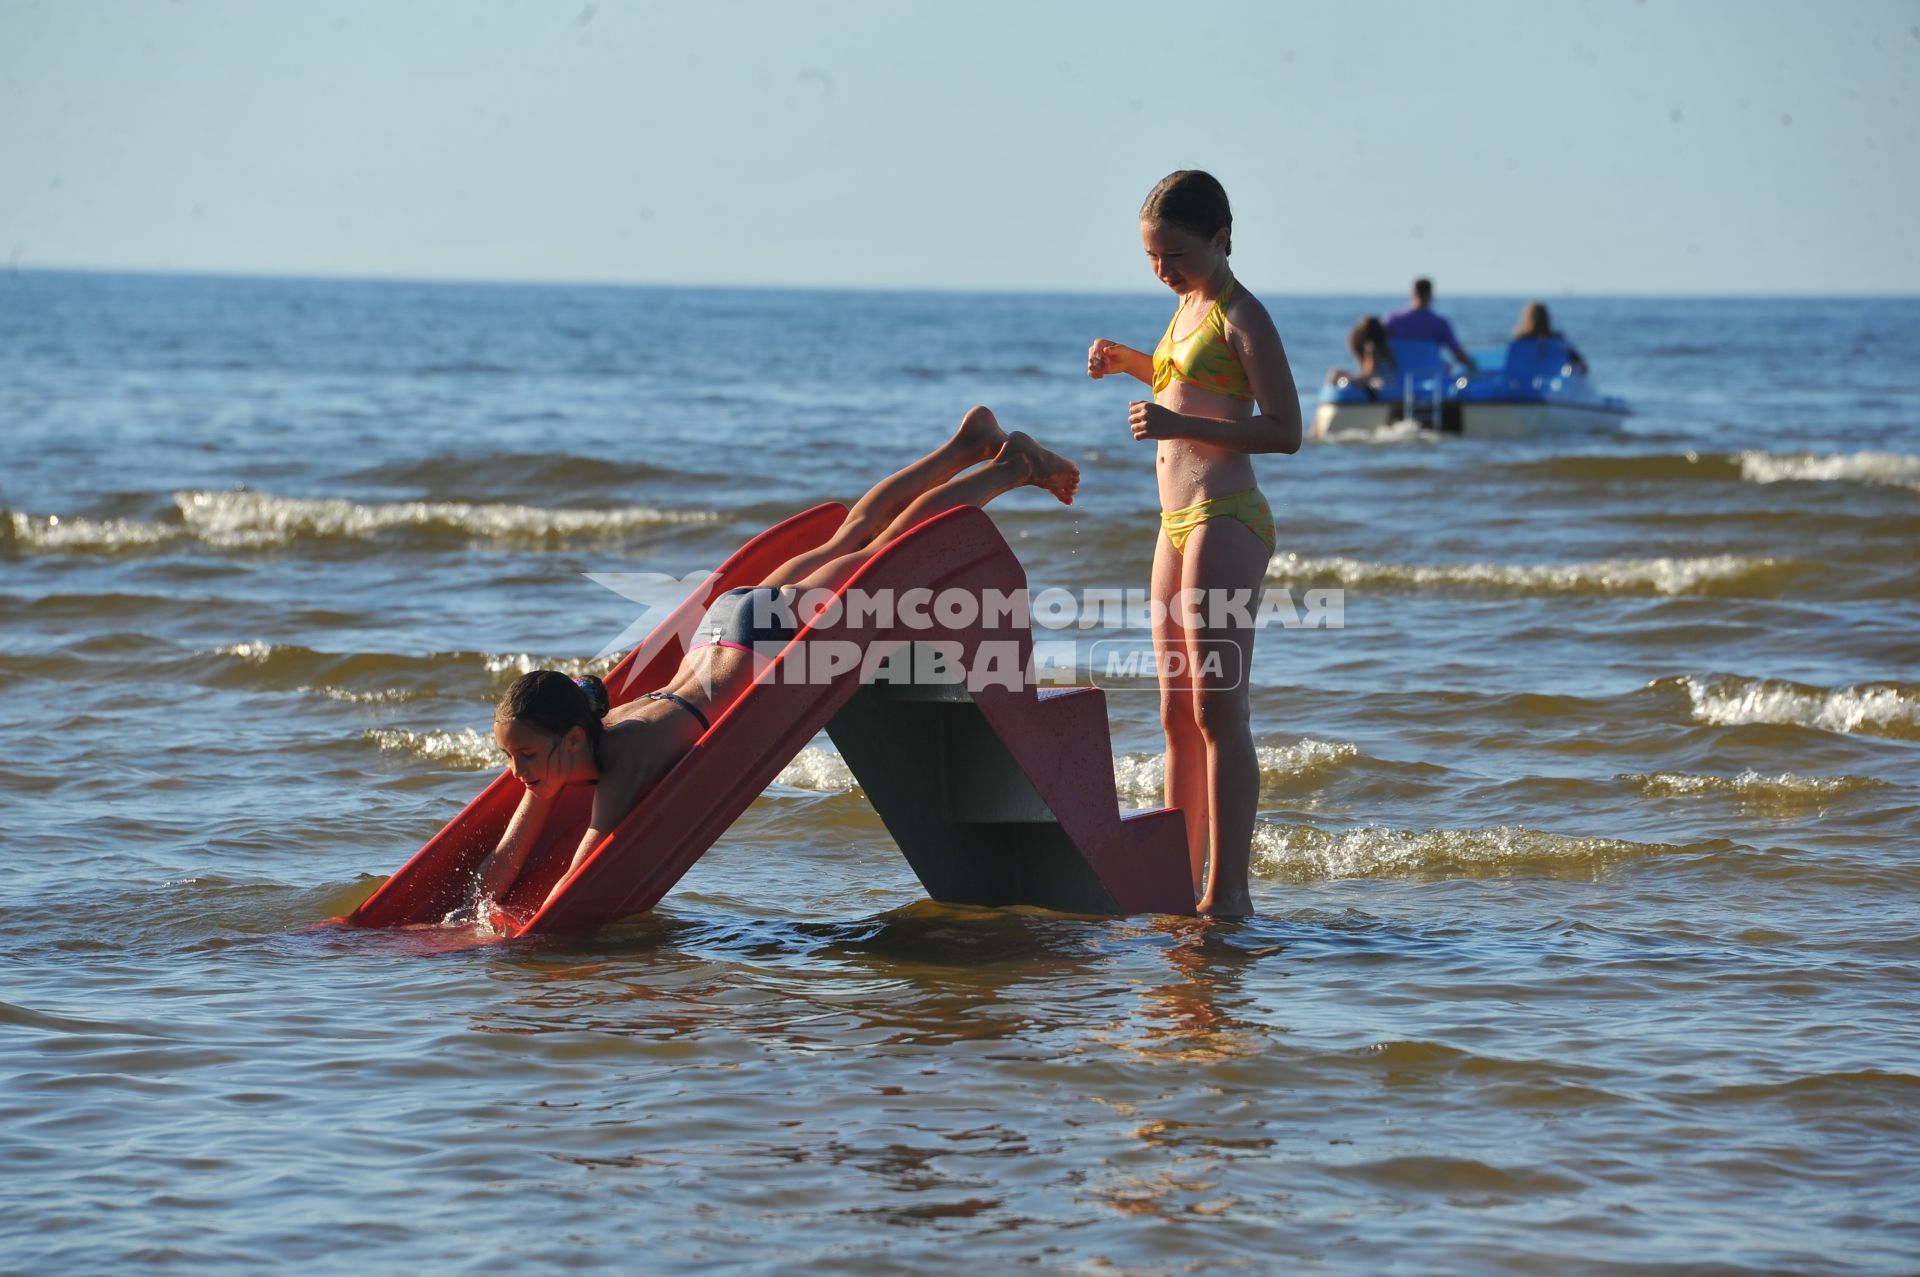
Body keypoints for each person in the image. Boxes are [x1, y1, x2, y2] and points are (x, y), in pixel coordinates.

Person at [478, 408, 1079, 915]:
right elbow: (510, 851)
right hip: (727, 627)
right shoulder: (574, 744)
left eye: (524, 755)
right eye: (512, 755)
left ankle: (1010, 466)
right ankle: (968, 443)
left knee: (886, 544)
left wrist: (519, 932)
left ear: (572, 741)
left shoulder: (621, 761)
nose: (517, 771)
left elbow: (582, 870)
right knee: (856, 536)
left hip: (755, 637)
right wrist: (473, 906)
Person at [1085, 169, 1302, 918]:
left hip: (1226, 515)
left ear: (1221, 238)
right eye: (1151, 257)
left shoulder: (1244, 316)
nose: (1163, 270)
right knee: (1175, 713)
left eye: (1174, 255)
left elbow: (1285, 430)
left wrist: (1181, 428)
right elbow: (1186, 384)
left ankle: (1228, 893)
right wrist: (1132, 363)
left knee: (1219, 712)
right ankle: (1178, 885)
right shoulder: (1184, 308)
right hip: (1172, 525)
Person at [1382, 277, 1476, 373]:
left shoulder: (1392, 320)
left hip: (1397, 378)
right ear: (1431, 295)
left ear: (1412, 294)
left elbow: (1379, 347)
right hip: (1431, 380)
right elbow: (1457, 354)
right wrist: (1473, 366)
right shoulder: (1440, 324)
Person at [1510, 300, 1588, 372]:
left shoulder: (1518, 343)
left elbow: (1511, 368)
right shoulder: (1559, 342)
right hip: (1553, 382)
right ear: (1547, 319)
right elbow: (1583, 366)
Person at [1326, 314, 1396, 389]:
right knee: (1336, 373)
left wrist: (1346, 380)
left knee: (1337, 377)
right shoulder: (1387, 347)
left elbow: (1369, 375)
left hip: (1379, 384)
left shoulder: (1372, 349)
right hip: (1385, 384)